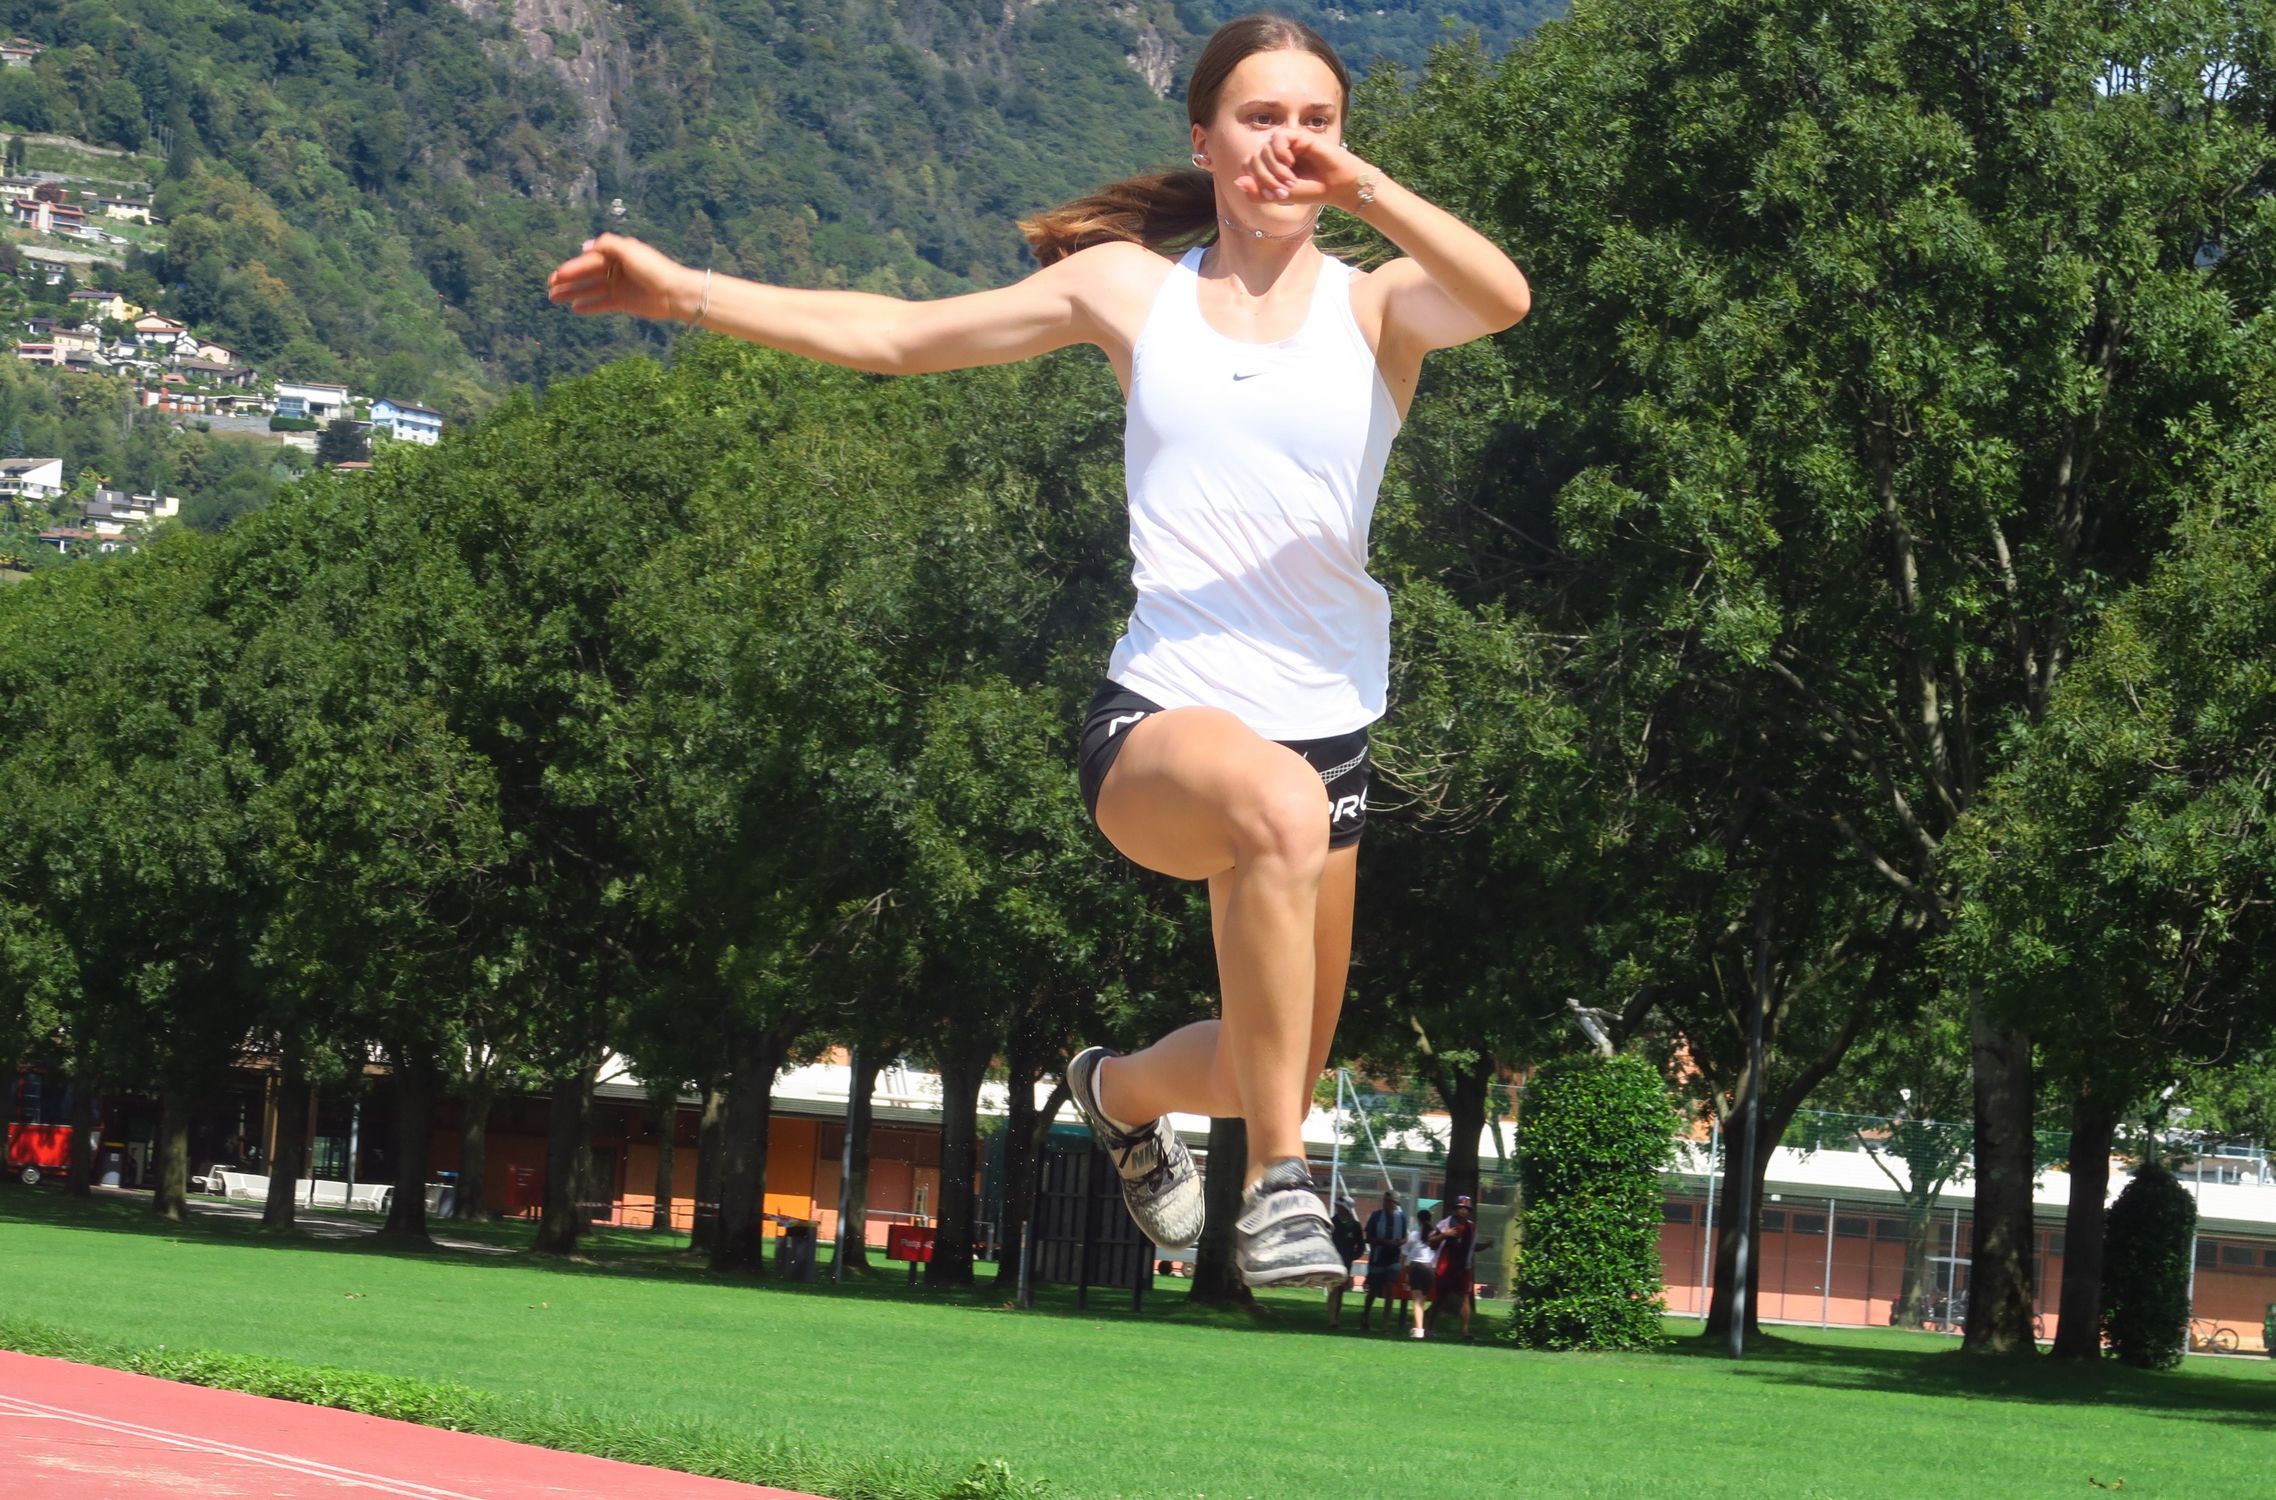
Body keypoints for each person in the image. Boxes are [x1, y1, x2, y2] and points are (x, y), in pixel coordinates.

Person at [546, 12, 1529, 1290]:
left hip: (1326, 730)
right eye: (1259, 117)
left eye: (1315, 121)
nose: (1289, 143)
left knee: (1267, 1066)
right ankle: (1280, 1188)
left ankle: (1116, 1093)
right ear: (1203, 139)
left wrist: (1369, 192)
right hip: (1161, 723)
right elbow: (901, 337)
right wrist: (684, 292)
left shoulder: (1376, 306)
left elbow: (1501, 297)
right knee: (1276, 816)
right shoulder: (1131, 290)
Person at [1425, 1194, 1492, 1340]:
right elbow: (1431, 1241)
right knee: (1440, 1298)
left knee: (1465, 1297)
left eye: (1466, 1208)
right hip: (1445, 1266)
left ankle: (1465, 1331)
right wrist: (1445, 1234)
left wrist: (1486, 1245)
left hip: (1463, 1268)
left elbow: (1473, 1247)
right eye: (1460, 1208)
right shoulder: (1445, 1223)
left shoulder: (1471, 1228)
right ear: (1455, 1209)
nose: (1463, 1211)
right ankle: (1429, 1327)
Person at [1359, 1187, 1408, 1331]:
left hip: (1393, 1258)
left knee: (1391, 1289)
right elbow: (1368, 1237)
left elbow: (1405, 1237)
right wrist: (1381, 1241)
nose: (1387, 1204)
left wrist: (1399, 1242)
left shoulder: (1401, 1217)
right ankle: (1365, 1316)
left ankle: (1385, 1324)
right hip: (1377, 1257)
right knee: (1373, 1289)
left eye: (1391, 1201)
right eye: (1386, 1201)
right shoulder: (1376, 1216)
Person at [1326, 1193, 1366, 1327]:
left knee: (1340, 1290)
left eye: (1340, 1206)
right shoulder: (1331, 1223)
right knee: (1334, 1289)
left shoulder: (1355, 1226)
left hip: (1346, 1263)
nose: (1338, 1208)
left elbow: (1360, 1245)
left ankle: (1335, 1317)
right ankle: (1332, 1319)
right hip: (1332, 1261)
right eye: (1337, 1206)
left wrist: (1352, 1256)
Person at [1397, 1205, 1436, 1339]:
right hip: (1430, 1269)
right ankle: (1420, 1327)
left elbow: (1404, 1253)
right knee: (1422, 1300)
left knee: (1417, 1300)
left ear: (1419, 1220)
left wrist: (1403, 1269)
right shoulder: (1435, 1235)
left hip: (1416, 1267)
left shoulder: (1414, 1235)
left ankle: (1418, 1330)